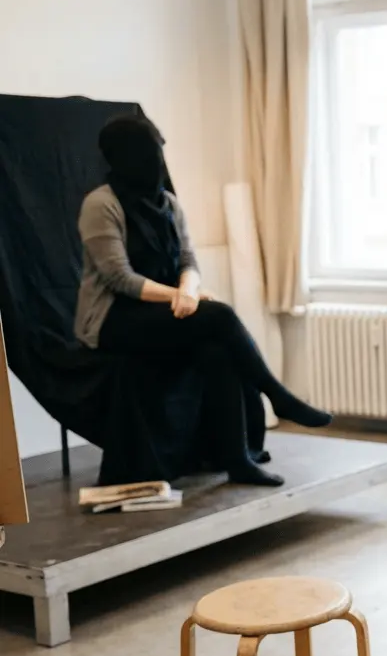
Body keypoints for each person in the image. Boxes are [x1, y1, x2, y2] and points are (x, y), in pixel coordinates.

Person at [74, 114, 332, 486]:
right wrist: (182, 294)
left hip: (163, 310)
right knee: (220, 317)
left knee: (218, 351)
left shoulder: (168, 203)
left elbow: (188, 260)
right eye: (149, 154)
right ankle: (278, 396)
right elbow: (119, 278)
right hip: (113, 319)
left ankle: (238, 460)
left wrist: (188, 289)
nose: (157, 163)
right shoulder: (100, 205)